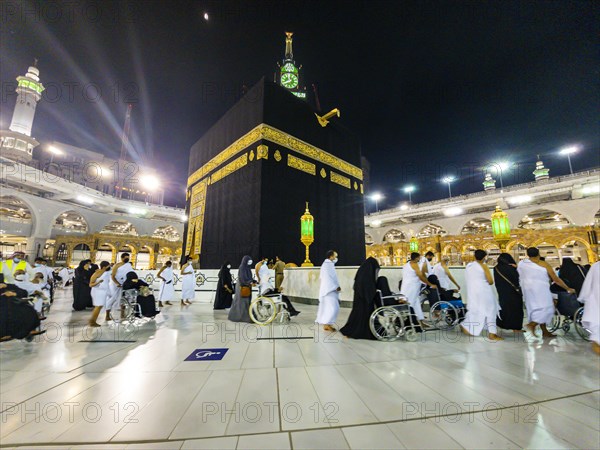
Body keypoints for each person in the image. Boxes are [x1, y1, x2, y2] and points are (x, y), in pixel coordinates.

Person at [518, 247, 576, 338]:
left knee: (538, 309)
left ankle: (544, 331)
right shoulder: (543, 264)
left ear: (527, 254)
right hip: (541, 290)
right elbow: (555, 279)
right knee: (549, 308)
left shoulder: (522, 264)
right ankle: (532, 324)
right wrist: (567, 288)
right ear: (538, 254)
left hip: (529, 292)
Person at [461, 249, 503, 341]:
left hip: (473, 292)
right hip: (484, 292)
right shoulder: (483, 266)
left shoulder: (469, 266)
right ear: (484, 257)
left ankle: (466, 325)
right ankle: (492, 334)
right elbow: (491, 281)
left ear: (474, 256)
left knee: (476, 310)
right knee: (491, 310)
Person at [340, 257, 380, 339]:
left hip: (359, 299)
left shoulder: (362, 273)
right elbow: (369, 289)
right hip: (365, 301)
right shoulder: (367, 277)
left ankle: (352, 331)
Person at [0, 274, 45, 341]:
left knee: (28, 309)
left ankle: (29, 331)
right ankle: (3, 334)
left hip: (14, 305)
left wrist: (13, 293)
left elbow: (24, 292)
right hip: (4, 307)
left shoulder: (9, 286)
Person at [400, 252, 438, 329]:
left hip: (406, 287)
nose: (420, 259)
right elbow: (421, 276)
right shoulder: (415, 265)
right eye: (419, 257)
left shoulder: (406, 265)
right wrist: (430, 284)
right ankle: (410, 323)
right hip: (411, 288)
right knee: (410, 304)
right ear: (417, 258)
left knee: (416, 304)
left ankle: (420, 321)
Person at [494, 253, 524, 332]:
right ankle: (516, 328)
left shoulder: (496, 268)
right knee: (515, 309)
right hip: (513, 292)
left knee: (504, 308)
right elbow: (518, 278)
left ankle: (503, 324)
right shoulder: (511, 268)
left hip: (502, 292)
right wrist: (517, 268)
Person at [316, 250, 341, 332]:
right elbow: (327, 278)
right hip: (329, 290)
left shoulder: (328, 264)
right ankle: (327, 324)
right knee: (333, 308)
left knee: (330, 307)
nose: (336, 258)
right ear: (330, 256)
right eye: (334, 256)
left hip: (329, 289)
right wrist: (335, 287)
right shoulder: (327, 265)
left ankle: (327, 324)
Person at [579, 262, 599, 355]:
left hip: (595, 307)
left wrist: (584, 299)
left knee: (597, 336)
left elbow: (587, 286)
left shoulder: (596, 266)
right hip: (596, 306)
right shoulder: (596, 266)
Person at [107, 253, 134, 322]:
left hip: (124, 284)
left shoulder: (128, 265)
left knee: (124, 299)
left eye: (128, 258)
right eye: (125, 258)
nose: (127, 259)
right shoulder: (117, 265)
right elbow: (112, 276)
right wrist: (117, 283)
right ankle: (107, 315)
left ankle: (122, 314)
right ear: (122, 258)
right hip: (115, 284)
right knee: (113, 299)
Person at [228, 255, 255, 322]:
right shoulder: (242, 267)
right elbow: (242, 278)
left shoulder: (247, 267)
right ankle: (242, 317)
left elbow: (249, 277)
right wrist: (249, 282)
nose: (249, 262)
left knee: (245, 302)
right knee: (242, 302)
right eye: (248, 261)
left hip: (246, 286)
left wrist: (253, 281)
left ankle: (245, 317)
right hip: (242, 286)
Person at [88, 261, 111, 327]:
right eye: (108, 266)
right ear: (104, 267)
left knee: (100, 306)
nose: (109, 267)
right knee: (98, 306)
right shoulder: (97, 273)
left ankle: (93, 321)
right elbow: (90, 284)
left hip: (103, 292)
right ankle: (92, 322)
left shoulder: (106, 273)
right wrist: (98, 282)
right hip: (98, 292)